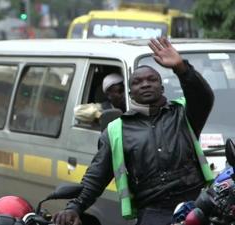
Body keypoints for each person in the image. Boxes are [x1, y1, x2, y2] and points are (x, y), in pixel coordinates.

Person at [53, 37, 215, 225]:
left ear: (161, 87)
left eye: (151, 80)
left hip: (196, 206)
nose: (145, 84)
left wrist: (181, 67)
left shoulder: (183, 113)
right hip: (153, 213)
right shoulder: (116, 130)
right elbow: (96, 177)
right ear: (130, 93)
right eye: (138, 82)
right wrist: (74, 207)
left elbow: (203, 96)